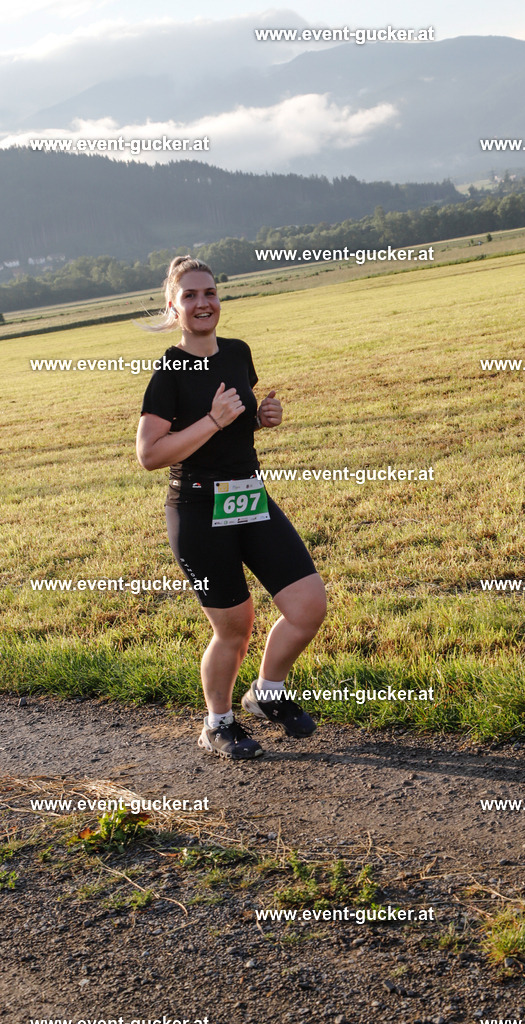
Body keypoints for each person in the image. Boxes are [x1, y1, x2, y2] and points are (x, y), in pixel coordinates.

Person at [136, 255, 326, 760]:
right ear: (173, 306)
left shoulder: (238, 352)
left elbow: (238, 415)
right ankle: (217, 723)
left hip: (249, 496)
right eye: (191, 296)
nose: (204, 303)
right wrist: (214, 421)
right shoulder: (170, 369)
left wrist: (263, 418)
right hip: (197, 510)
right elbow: (150, 455)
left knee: (308, 607)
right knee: (235, 627)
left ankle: (267, 694)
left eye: (210, 293)